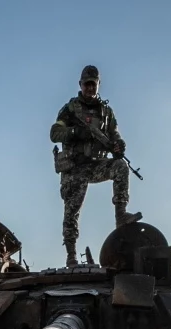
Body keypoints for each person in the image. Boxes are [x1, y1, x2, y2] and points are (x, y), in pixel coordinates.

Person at [51, 65, 140, 268]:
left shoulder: (106, 111)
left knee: (120, 167)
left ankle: (121, 216)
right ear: (80, 85)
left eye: (94, 84)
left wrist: (118, 145)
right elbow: (54, 134)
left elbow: (114, 134)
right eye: (87, 84)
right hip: (74, 167)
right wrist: (75, 133)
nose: (90, 88)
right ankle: (71, 254)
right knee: (71, 211)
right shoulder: (70, 110)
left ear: (98, 85)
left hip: (95, 165)